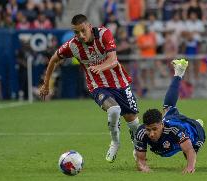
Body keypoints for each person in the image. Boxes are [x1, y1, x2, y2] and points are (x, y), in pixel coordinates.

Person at [39, 14, 140, 163]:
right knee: (113, 110)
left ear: (89, 26)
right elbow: (54, 59)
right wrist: (46, 84)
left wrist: (100, 67)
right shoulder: (72, 45)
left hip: (120, 83)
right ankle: (115, 142)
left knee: (133, 123)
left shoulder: (104, 34)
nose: (80, 35)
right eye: (76, 32)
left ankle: (137, 145)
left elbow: (113, 60)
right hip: (97, 86)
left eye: (83, 31)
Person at [134, 59, 206, 174]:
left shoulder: (175, 130)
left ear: (161, 124)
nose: (151, 133)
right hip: (172, 122)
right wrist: (143, 167)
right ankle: (179, 73)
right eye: (148, 130)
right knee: (168, 108)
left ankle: (197, 123)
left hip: (195, 132)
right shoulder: (142, 132)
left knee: (188, 154)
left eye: (154, 129)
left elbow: (189, 151)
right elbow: (141, 162)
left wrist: (190, 167)